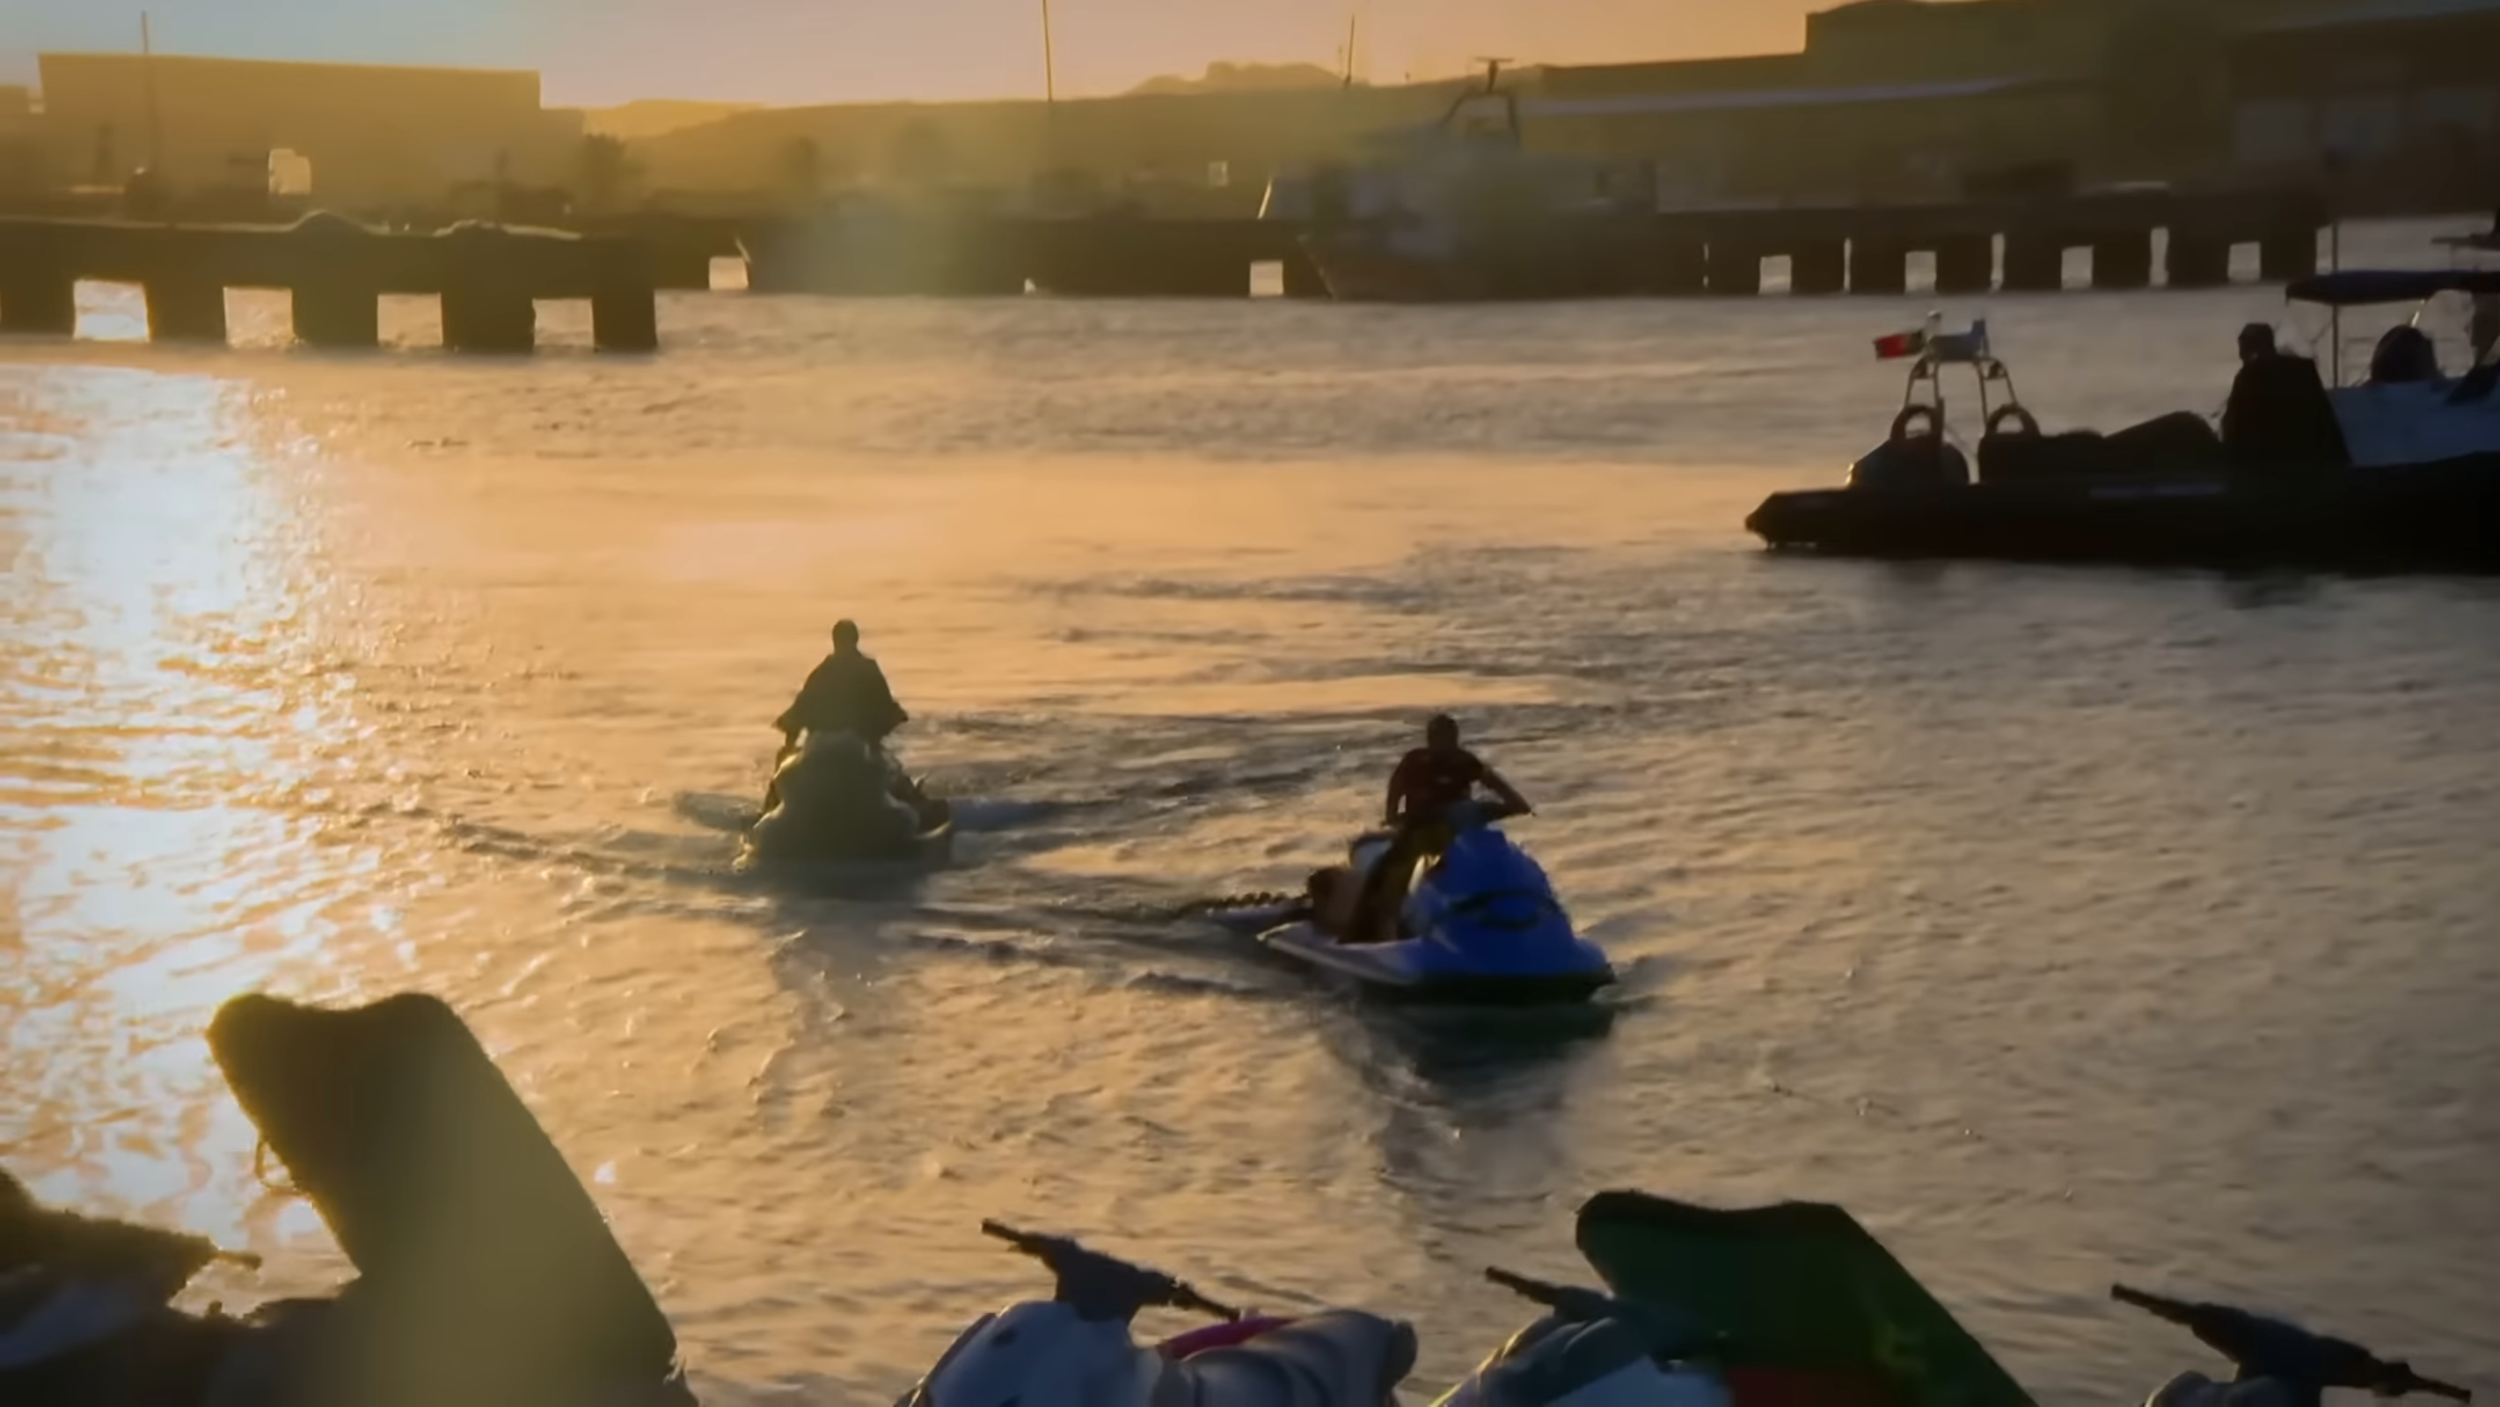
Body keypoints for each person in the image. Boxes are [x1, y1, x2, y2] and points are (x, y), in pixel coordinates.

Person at [1347, 715, 1532, 944]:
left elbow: (1500, 787)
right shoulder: (1416, 761)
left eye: (1448, 739)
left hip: (1457, 827)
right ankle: (1387, 933)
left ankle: (1515, 918)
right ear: (1430, 740)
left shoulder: (1465, 763)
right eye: (1439, 738)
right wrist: (1393, 818)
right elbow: (1396, 787)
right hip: (1421, 828)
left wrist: (1514, 804)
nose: (1444, 744)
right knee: (1392, 875)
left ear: (1455, 739)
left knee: (1462, 818)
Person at [774, 620, 907, 751]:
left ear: (834, 641)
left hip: (823, 743)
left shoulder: (822, 673)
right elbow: (887, 708)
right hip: (859, 743)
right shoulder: (868, 669)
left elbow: (800, 710)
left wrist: (790, 744)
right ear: (856, 640)